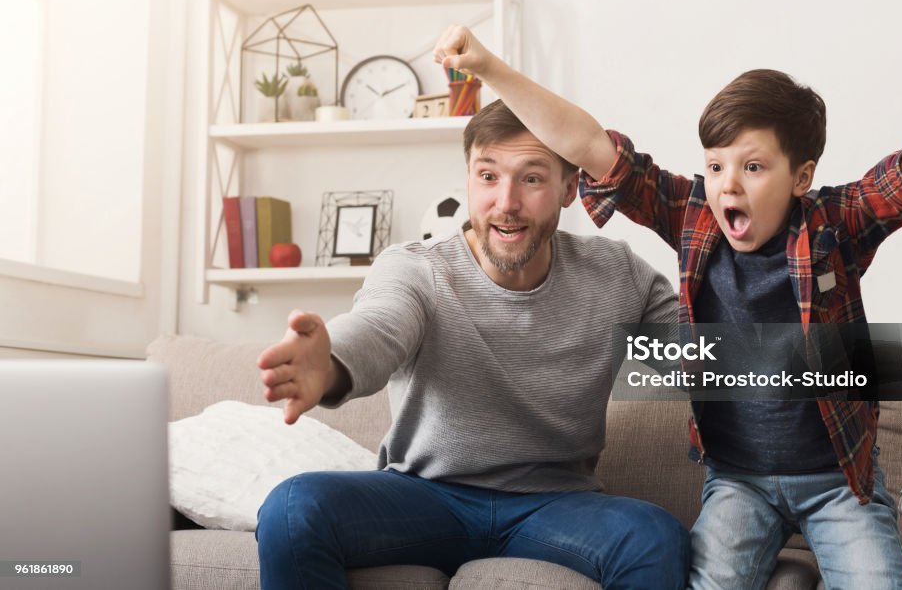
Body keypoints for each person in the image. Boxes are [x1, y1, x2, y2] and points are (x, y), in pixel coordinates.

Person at [434, 24, 902, 589]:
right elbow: (588, 143)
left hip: (840, 483)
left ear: (802, 177)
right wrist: (487, 67)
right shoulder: (691, 216)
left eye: (753, 167)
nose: (727, 186)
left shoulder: (834, 224)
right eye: (716, 166)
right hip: (738, 481)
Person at [255, 100, 690, 589]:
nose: (505, 202)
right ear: (468, 179)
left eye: (531, 178)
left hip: (556, 503)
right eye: (488, 176)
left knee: (654, 534)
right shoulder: (418, 268)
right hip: (424, 498)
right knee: (294, 508)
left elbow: (703, 359)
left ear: (569, 189)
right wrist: (332, 362)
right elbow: (379, 326)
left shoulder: (615, 274)